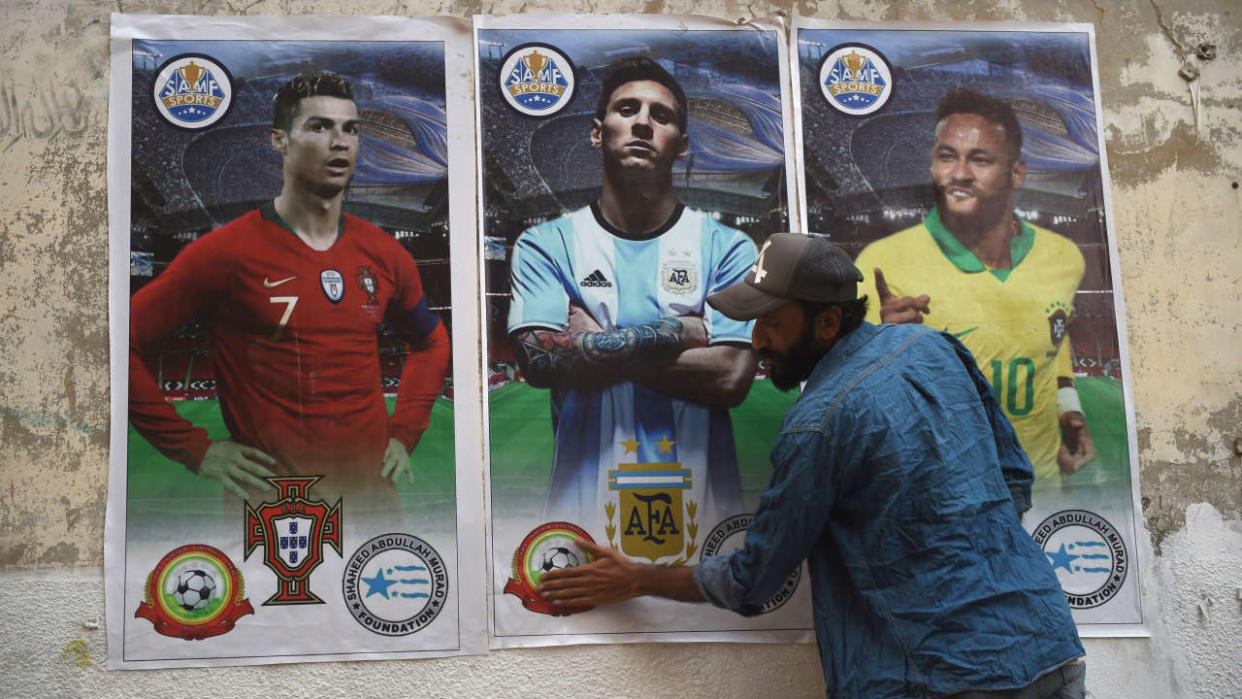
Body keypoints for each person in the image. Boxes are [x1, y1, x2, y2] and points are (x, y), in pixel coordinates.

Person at [539, 233, 1086, 697]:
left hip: (942, 679)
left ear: (827, 323)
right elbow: (1014, 477)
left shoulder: (817, 422)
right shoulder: (933, 347)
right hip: (1048, 647)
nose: (756, 340)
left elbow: (753, 581)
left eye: (771, 322)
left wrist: (636, 577)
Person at [129, 71, 451, 498]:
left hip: (373, 503)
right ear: (279, 140)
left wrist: (405, 431)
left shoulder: (386, 255)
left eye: (350, 129)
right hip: (271, 514)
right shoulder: (222, 253)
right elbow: (116, 344)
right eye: (319, 127)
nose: (341, 142)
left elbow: (431, 342)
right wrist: (192, 448)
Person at [506, 56, 758, 556]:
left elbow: (730, 377)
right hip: (581, 517)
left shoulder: (728, 248)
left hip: (706, 520)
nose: (643, 122)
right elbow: (538, 360)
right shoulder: (546, 244)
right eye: (627, 109)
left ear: (682, 146)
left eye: (661, 116)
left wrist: (591, 342)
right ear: (598, 133)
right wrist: (679, 330)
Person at [854, 87, 1095, 488]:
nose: (959, 173)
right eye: (947, 156)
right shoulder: (882, 263)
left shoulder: (1064, 257)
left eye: (980, 159)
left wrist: (1071, 414)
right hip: (942, 500)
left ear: (1016, 173)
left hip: (1043, 489)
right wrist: (877, 344)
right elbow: (849, 398)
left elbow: (1056, 340)